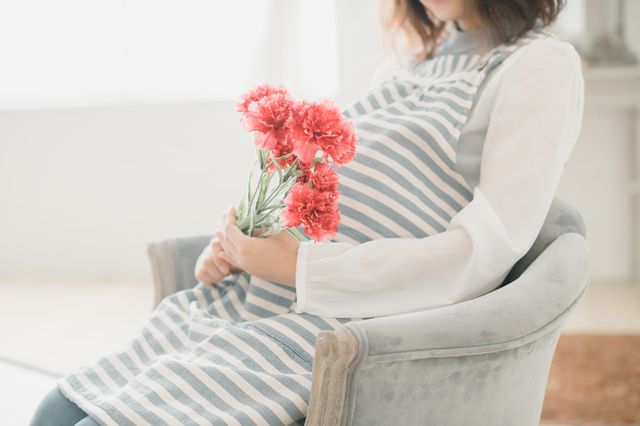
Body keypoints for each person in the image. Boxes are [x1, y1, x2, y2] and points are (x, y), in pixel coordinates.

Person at [31, 0, 583, 424]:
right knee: (54, 410)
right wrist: (241, 243)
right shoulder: (411, 63)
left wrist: (298, 268)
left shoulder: (539, 66)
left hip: (338, 323)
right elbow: (339, 188)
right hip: (253, 302)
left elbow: (483, 251)